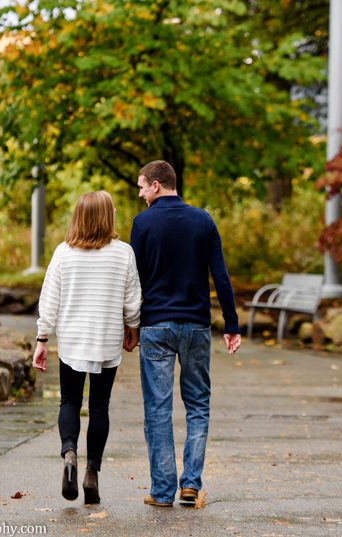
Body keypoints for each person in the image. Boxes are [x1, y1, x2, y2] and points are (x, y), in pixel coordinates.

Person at [130, 160, 241, 508]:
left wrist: (130, 325)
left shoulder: (142, 223)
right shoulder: (203, 220)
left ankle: (162, 491)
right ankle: (191, 484)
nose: (140, 194)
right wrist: (231, 324)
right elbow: (220, 276)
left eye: (142, 187)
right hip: (195, 326)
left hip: (155, 326)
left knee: (157, 408)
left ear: (157, 185)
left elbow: (135, 281)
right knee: (198, 404)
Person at [32, 190, 142, 505]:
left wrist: (42, 339)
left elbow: (49, 300)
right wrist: (132, 327)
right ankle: (92, 471)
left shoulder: (63, 253)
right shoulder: (123, 253)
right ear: (107, 216)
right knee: (99, 407)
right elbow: (133, 301)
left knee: (69, 401)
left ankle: (69, 453)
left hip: (73, 342)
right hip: (106, 340)